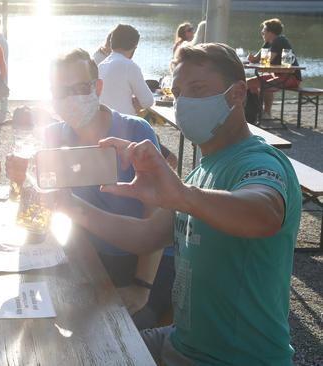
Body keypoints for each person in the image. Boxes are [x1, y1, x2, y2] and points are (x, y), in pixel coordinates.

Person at [73, 43, 300, 365]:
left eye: (198, 89)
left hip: (237, 358)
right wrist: (66, 205)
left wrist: (181, 195)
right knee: (80, 348)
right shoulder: (202, 170)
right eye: (178, 93)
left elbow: (265, 213)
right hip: (181, 342)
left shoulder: (259, 161)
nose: (184, 103)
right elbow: (146, 236)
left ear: (237, 94)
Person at [6, 49, 167, 329]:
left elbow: (159, 216)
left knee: (118, 336)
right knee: (41, 322)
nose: (71, 98)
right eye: (61, 91)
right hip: (87, 256)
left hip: (141, 263)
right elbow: (47, 203)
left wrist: (142, 286)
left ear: (98, 87)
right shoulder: (53, 134)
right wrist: (25, 179)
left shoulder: (135, 131)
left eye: (80, 88)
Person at [247, 18, 301, 119]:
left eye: (264, 30)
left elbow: (267, 60)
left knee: (265, 85)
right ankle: (258, 111)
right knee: (248, 83)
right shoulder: (267, 43)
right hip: (278, 75)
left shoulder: (280, 40)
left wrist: (257, 60)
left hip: (291, 77)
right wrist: (251, 58)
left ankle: (266, 113)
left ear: (270, 32)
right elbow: (256, 59)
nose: (262, 32)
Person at [98, 24, 154, 116]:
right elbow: (148, 101)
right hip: (124, 123)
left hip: (104, 121)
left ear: (112, 43)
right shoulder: (130, 66)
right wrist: (136, 103)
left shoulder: (101, 66)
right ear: (134, 48)